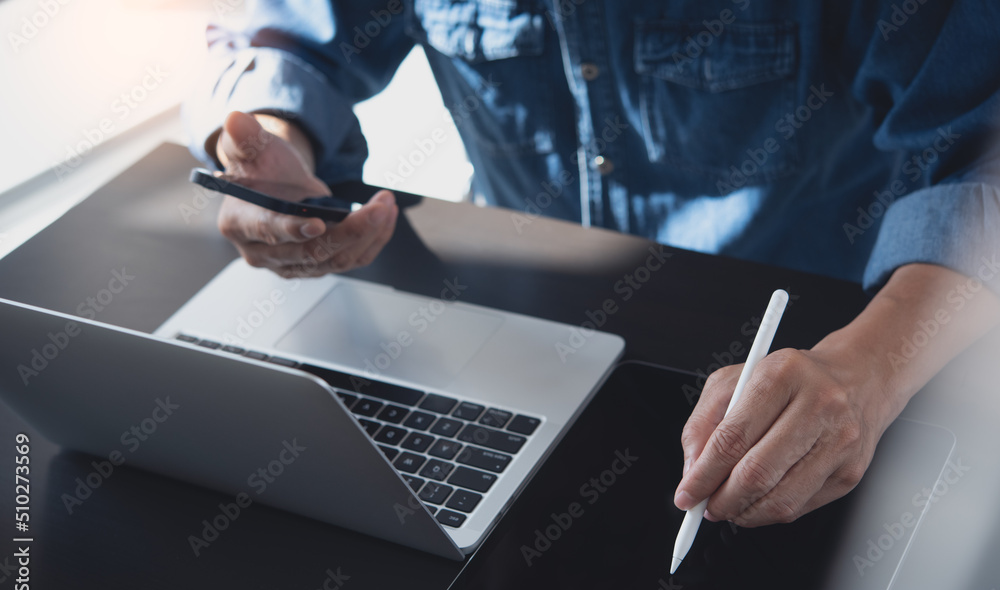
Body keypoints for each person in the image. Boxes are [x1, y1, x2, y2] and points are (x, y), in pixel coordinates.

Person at [183, 0, 1000, 528]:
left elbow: (984, 144)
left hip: (810, 369)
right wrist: (269, 144)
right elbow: (285, 37)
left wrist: (873, 368)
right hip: (519, 352)